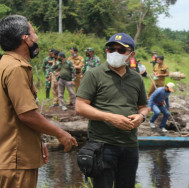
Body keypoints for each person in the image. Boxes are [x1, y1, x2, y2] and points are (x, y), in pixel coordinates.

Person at [0, 15, 78, 188]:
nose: (37, 38)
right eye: (34, 33)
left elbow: (8, 113)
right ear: (25, 38)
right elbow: (26, 114)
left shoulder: (4, 63)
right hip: (16, 162)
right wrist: (60, 133)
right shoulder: (17, 68)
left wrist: (37, 142)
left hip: (10, 156)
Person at [76, 33, 148, 188]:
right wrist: (109, 117)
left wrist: (141, 117)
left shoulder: (136, 78)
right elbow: (80, 106)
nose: (115, 52)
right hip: (102, 145)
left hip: (130, 146)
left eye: (121, 50)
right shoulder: (93, 75)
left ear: (131, 54)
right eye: (111, 49)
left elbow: (143, 106)